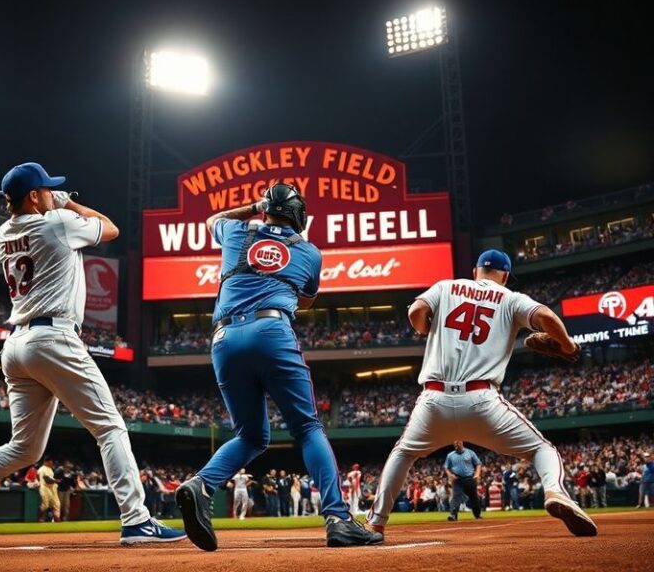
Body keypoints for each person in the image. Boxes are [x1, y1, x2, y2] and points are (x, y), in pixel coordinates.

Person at [0, 162, 184, 549]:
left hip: (17, 346)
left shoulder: (2, 233)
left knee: (25, 447)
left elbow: (35, 220)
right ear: (33, 196)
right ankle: (137, 520)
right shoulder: (55, 223)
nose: (52, 192)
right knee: (110, 428)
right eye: (46, 188)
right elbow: (111, 228)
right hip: (53, 339)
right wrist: (69, 205)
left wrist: (52, 202)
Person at [175, 183, 382, 550]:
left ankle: (202, 484)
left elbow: (213, 219)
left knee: (251, 435)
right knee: (306, 427)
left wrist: (253, 208)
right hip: (271, 330)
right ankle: (338, 518)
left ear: (264, 209)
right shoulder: (309, 252)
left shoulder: (236, 230)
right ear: (299, 216)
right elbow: (307, 299)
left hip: (223, 339)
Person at [366, 249, 597, 538]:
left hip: (433, 399)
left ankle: (376, 522)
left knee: (403, 453)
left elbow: (415, 312)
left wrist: (426, 328)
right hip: (481, 400)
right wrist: (567, 346)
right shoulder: (511, 298)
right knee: (542, 449)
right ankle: (555, 492)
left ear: (476, 271)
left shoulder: (446, 286)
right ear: (505, 276)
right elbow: (547, 315)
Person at [445, 441, 482, 521]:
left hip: (469, 478)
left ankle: (477, 515)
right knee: (456, 496)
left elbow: (478, 464)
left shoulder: (470, 452)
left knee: (474, 497)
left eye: (457, 443)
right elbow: (446, 467)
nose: (456, 445)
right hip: (457, 479)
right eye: (454, 443)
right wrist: (450, 475)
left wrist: (477, 474)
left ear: (461, 443)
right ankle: (453, 515)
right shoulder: (450, 455)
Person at [37, 458, 61, 522]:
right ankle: (41, 519)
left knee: (56, 504)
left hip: (52, 488)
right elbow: (47, 480)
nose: (52, 463)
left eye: (52, 462)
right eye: (50, 462)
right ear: (46, 462)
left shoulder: (50, 469)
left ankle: (57, 519)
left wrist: (55, 481)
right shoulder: (42, 469)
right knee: (45, 505)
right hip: (45, 488)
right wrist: (56, 480)